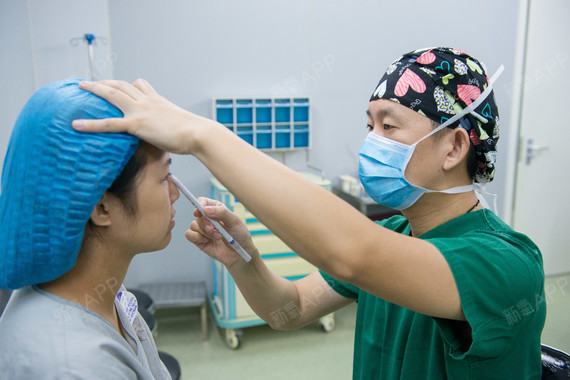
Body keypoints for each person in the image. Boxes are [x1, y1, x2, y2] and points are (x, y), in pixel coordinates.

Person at [72, 47, 546, 379]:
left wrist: (202, 136)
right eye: (369, 125)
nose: (370, 141)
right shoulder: (398, 231)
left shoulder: (506, 262)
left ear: (455, 146)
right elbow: (290, 309)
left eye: (389, 126)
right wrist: (243, 259)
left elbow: (354, 253)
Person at [0, 79, 179, 379]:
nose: (175, 194)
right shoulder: (74, 365)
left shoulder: (99, 292)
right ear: (101, 208)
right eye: (164, 178)